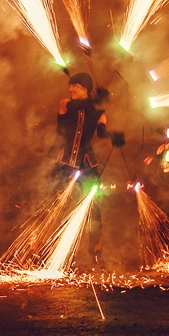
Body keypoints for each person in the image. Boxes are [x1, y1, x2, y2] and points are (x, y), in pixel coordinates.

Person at [55, 71, 125, 262]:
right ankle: (41, 245)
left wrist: (113, 136)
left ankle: (95, 250)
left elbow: (102, 132)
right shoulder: (65, 104)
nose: (70, 89)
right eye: (70, 86)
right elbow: (79, 105)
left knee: (94, 204)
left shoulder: (99, 113)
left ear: (85, 89)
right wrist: (95, 99)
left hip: (87, 163)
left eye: (75, 86)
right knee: (53, 203)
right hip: (64, 162)